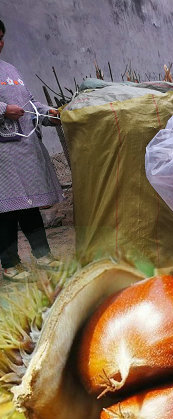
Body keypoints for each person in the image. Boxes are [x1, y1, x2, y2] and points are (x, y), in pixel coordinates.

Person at [0, 18, 63, 282]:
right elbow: (9, 108)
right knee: (5, 210)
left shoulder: (10, 69)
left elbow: (29, 102)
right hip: (3, 155)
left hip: (24, 150)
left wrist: (48, 113)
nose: (0, 42)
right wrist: (3, 110)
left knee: (28, 204)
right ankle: (10, 264)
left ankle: (42, 254)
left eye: (1, 37)